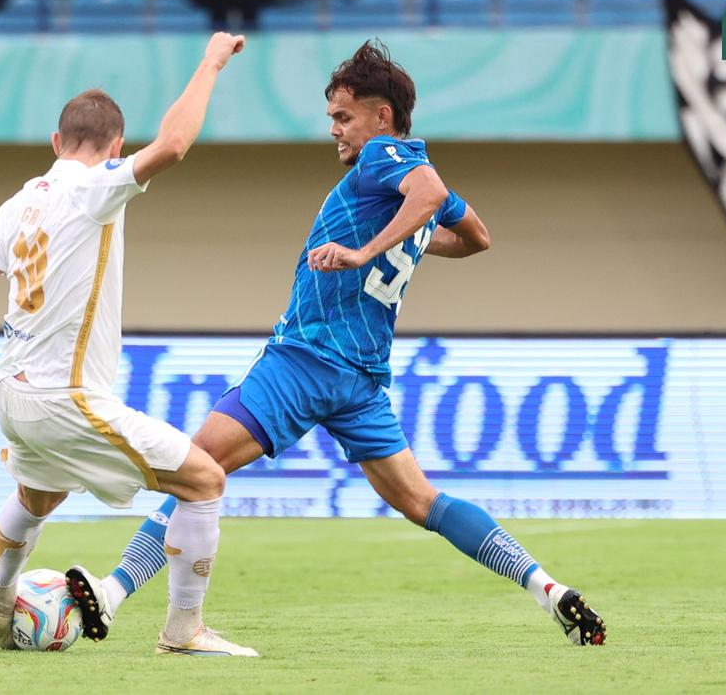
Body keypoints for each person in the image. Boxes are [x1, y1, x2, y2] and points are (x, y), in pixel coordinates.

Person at [66, 40, 607, 648]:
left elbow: (427, 197)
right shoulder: (402, 174)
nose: (334, 130)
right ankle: (547, 588)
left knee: (196, 468)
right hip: (361, 380)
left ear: (382, 117)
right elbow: (477, 236)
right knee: (420, 500)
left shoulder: (383, 155)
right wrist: (415, 241)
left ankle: (116, 594)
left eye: (342, 116)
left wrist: (366, 250)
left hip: (305, 358)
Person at [0, 32, 258, 657]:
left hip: (11, 391)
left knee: (38, 496)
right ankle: (184, 631)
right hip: (64, 396)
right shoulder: (97, 188)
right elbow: (175, 144)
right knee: (203, 480)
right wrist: (210, 62)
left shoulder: (21, 202)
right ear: (115, 146)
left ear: (54, 142)